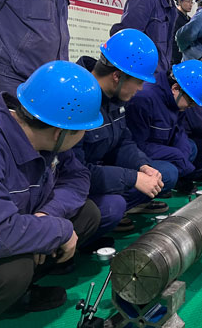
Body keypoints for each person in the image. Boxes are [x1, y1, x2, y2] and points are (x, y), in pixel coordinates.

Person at [0, 61, 103, 328]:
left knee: (87, 214)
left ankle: (18, 296)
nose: (84, 136)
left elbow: (78, 177)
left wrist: (48, 217)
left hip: (3, 231)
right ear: (60, 132)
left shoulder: (44, 134)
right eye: (81, 131)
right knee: (11, 271)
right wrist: (57, 230)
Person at [73, 29, 173, 236]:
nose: (140, 89)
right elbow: (75, 172)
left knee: (163, 174)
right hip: (78, 182)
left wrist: (142, 166)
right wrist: (131, 178)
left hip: (100, 172)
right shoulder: (76, 102)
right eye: (139, 82)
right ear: (117, 76)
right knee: (113, 207)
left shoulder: (115, 98)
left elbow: (123, 142)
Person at [126, 60, 202, 193]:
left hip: (159, 144)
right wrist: (175, 155)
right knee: (169, 173)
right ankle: (138, 197)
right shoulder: (144, 99)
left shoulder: (175, 99)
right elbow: (137, 146)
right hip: (139, 154)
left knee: (190, 148)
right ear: (175, 88)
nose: (190, 107)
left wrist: (182, 154)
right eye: (190, 102)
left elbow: (179, 129)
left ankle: (175, 179)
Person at [171, 0, 194, 66]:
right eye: (188, 1)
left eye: (191, 2)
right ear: (179, 2)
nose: (190, 4)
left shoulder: (189, 19)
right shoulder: (174, 18)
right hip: (175, 58)